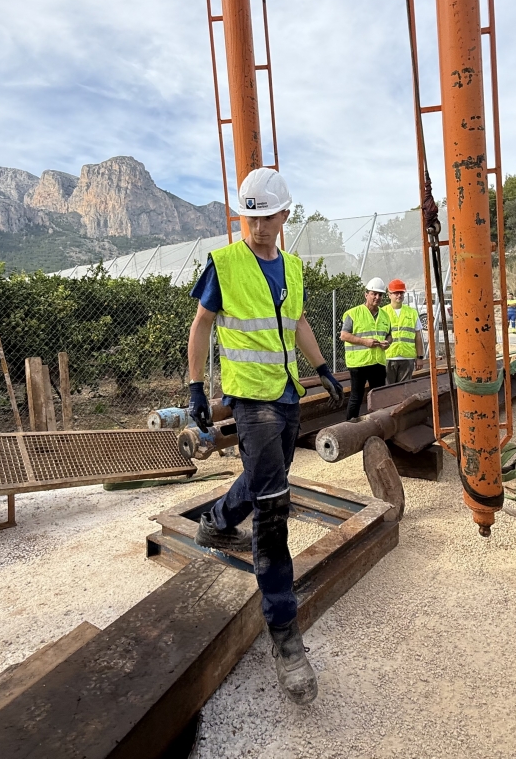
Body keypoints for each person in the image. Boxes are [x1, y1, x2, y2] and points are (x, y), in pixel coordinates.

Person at [185, 167, 344, 706]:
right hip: (250, 399)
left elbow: (295, 321)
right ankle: (285, 635)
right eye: (248, 216)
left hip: (287, 393)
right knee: (274, 509)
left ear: (283, 216)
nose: (256, 225)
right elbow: (202, 325)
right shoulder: (225, 264)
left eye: (265, 215)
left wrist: (321, 367)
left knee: (263, 481)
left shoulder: (293, 267)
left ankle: (216, 521)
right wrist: (195, 389)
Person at [339, 277, 392, 420]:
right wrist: (365, 342)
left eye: (380, 294)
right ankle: (350, 427)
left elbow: (389, 335)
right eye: (374, 293)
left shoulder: (385, 316)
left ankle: (376, 424)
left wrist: (387, 342)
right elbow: (344, 335)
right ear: (366, 294)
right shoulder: (353, 313)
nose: (377, 297)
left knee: (378, 396)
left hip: (377, 363)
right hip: (358, 363)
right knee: (356, 397)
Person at [383, 279, 423, 384]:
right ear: (389, 294)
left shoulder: (412, 313)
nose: (399, 295)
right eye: (396, 293)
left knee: (404, 391)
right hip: (388, 357)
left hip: (407, 357)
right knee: (387, 390)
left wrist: (419, 357)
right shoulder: (382, 312)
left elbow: (418, 336)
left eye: (401, 292)